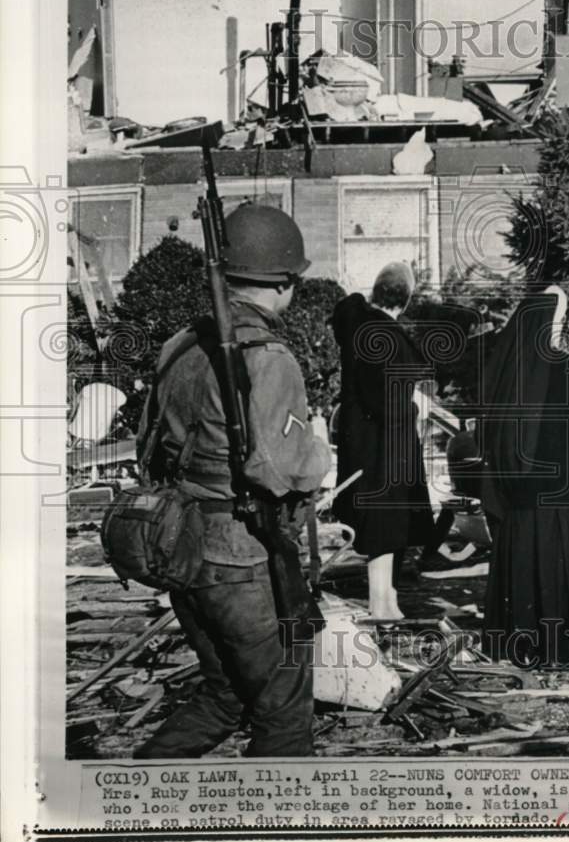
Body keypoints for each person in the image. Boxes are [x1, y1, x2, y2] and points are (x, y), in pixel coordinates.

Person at [133, 204, 331, 758]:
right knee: (284, 713)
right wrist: (318, 451)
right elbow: (277, 470)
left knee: (226, 694)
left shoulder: (180, 345)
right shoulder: (269, 357)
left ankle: (130, 791)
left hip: (178, 544)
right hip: (241, 557)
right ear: (285, 283)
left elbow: (149, 446)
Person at [480, 285, 569, 668]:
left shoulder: (507, 369)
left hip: (523, 496)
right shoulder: (566, 365)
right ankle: (568, 643)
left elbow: (491, 434)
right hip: (567, 490)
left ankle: (524, 643)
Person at [330, 262, 433, 620]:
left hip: (367, 445)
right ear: (405, 299)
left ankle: (388, 601)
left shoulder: (360, 325)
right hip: (384, 449)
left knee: (384, 528)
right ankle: (381, 606)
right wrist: (414, 407)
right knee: (385, 527)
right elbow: (387, 402)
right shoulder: (383, 334)